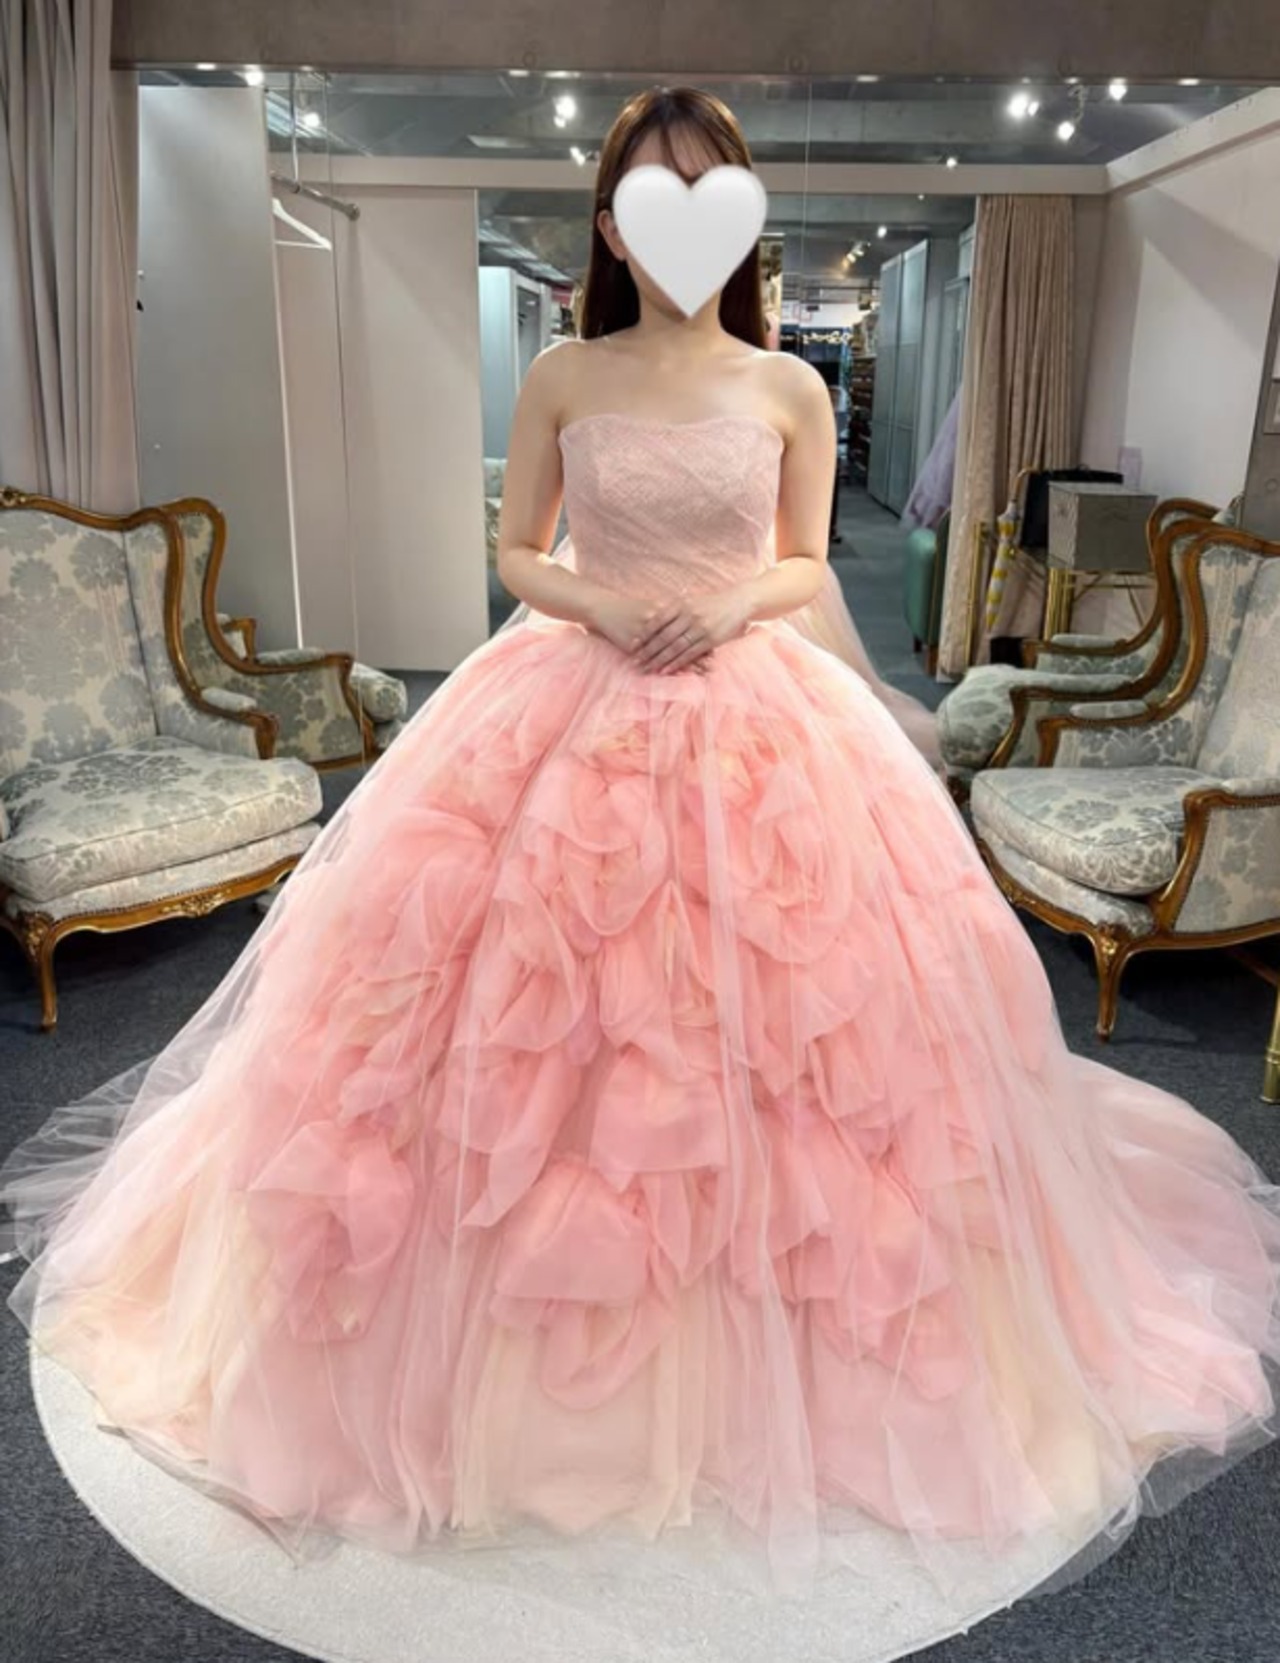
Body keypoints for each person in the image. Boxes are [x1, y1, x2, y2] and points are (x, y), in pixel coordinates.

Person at [2, 85, 1279, 1661]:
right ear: (609, 221)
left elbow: (806, 555)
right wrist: (597, 604)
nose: (675, 219)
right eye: (646, 192)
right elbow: (516, 548)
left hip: (757, 709)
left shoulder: (786, 385)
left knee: (799, 1019)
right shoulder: (566, 371)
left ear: (741, 215)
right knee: (519, 1001)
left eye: (708, 186)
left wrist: (737, 601)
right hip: (570, 692)